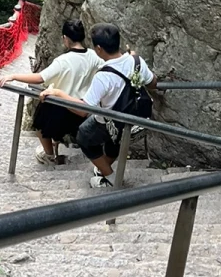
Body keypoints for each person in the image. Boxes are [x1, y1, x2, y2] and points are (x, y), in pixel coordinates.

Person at [45, 23, 157, 189]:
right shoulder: (136, 60)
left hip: (111, 121)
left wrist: (58, 94)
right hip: (134, 117)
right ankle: (103, 169)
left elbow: (83, 110)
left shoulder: (103, 76)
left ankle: (111, 177)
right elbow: (153, 83)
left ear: (98, 48)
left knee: (84, 136)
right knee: (114, 141)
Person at [0, 19, 100, 165]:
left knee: (39, 125)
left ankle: (49, 155)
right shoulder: (93, 56)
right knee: (60, 130)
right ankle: (56, 147)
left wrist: (13, 76)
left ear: (65, 38)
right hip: (81, 107)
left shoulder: (63, 61)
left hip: (59, 106)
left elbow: (40, 78)